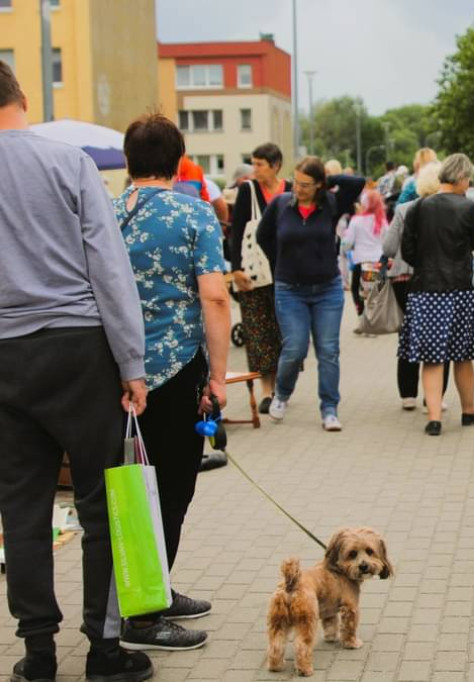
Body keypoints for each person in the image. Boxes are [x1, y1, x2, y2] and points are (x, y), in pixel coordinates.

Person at [0, 60, 154, 682]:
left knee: (22, 508)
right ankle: (105, 650)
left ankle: (37, 653)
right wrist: (132, 363)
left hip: (5, 354)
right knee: (103, 503)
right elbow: (110, 271)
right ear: (23, 97)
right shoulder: (70, 164)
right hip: (79, 347)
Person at [113, 113, 231, 653]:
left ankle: (154, 590)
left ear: (129, 160)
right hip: (173, 368)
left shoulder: (107, 212)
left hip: (113, 371)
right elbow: (214, 297)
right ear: (178, 158)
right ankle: (144, 616)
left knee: (132, 488)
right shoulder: (194, 212)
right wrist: (221, 378)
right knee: (171, 490)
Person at [257, 157, 366, 431]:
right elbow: (263, 236)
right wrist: (278, 262)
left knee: (328, 351)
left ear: (319, 185)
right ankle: (281, 394)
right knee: (294, 348)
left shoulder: (330, 204)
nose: (299, 188)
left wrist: (330, 180)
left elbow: (357, 183)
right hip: (290, 289)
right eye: (296, 182)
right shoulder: (280, 205)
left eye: (306, 184)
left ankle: (329, 408)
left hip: (327, 289)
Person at [399, 153, 474, 436]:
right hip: (459, 288)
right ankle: (469, 410)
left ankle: (434, 417)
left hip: (425, 289)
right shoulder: (467, 208)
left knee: (432, 357)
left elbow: (407, 250)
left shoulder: (418, 207)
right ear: (462, 178)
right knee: (463, 355)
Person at [382, 161, 454, 410]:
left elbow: (389, 248)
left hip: (405, 279)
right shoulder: (451, 210)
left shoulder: (403, 209)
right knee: (439, 336)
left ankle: (408, 394)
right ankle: (435, 397)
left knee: (409, 333)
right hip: (439, 280)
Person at [229, 143, 290, 413]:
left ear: (276, 165)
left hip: (286, 273)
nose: (255, 170)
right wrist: (235, 268)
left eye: (260, 164)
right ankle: (267, 390)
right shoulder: (248, 190)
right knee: (257, 332)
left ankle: (280, 385)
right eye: (253, 163)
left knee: (281, 332)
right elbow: (236, 231)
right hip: (252, 274)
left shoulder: (290, 190)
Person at [343, 188, 387, 317]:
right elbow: (388, 242)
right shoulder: (382, 222)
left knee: (356, 289)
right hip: (378, 262)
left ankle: (361, 312)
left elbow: (348, 243)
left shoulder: (356, 221)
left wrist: (346, 250)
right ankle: (375, 316)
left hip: (360, 261)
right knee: (377, 290)